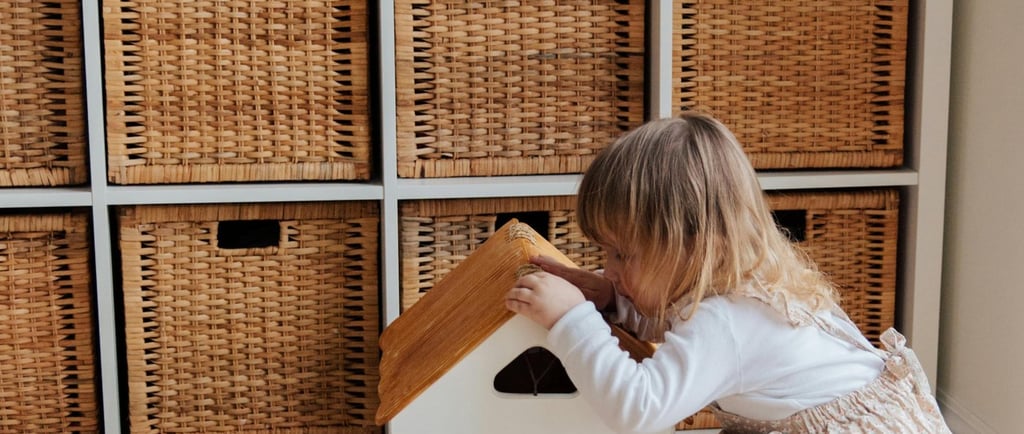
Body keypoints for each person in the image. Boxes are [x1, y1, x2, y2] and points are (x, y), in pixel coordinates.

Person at [504, 112, 951, 433]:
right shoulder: (744, 280)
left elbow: (638, 410)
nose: (611, 268)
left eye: (622, 255)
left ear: (694, 245)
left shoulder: (727, 321)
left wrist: (572, 322)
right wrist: (610, 297)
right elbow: (676, 321)